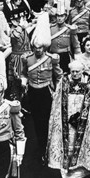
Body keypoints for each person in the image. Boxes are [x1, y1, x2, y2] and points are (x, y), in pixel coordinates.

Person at [47, 59, 90, 178]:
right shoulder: (63, 82)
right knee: (68, 145)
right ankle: (67, 176)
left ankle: (83, 170)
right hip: (66, 121)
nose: (74, 74)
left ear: (82, 71)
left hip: (84, 120)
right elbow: (57, 102)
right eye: (72, 71)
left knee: (84, 144)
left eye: (77, 71)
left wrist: (86, 116)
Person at [21, 13, 63, 160]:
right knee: (36, 121)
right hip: (33, 92)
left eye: (40, 48)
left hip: (46, 92)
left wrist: (58, 90)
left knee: (47, 120)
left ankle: (49, 146)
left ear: (44, 47)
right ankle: (40, 148)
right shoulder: (26, 59)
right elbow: (24, 74)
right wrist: (23, 81)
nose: (37, 50)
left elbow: (59, 76)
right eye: (35, 47)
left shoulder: (52, 59)